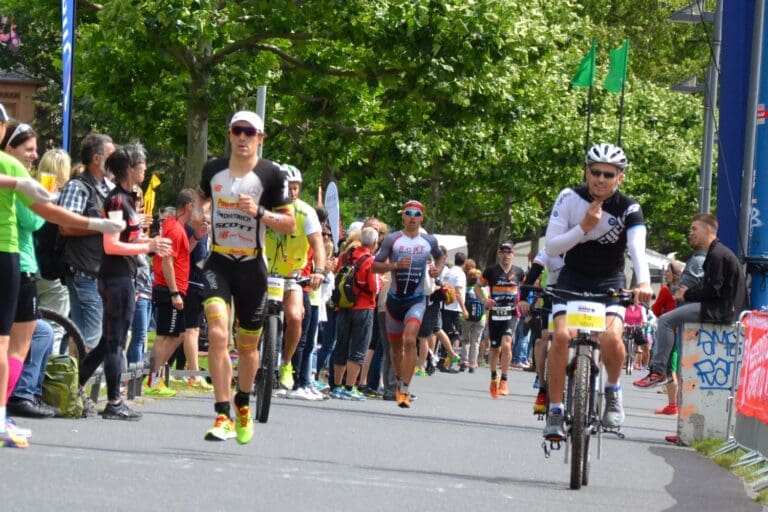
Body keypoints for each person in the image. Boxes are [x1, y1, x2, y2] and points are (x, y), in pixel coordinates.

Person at [543, 143, 653, 440]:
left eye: (609, 174)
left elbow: (636, 249)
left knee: (610, 336)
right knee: (562, 336)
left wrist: (643, 283)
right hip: (572, 278)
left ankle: (613, 391)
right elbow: (551, 246)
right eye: (595, 172)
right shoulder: (569, 197)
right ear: (586, 172)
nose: (601, 179)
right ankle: (554, 409)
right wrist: (584, 226)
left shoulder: (629, 207)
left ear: (620, 178)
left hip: (610, 280)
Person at [197, 111, 295, 443]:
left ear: (260, 138)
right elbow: (200, 197)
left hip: (253, 267)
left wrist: (259, 212)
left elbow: (290, 223)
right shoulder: (213, 169)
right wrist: (201, 213)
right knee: (218, 331)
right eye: (237, 131)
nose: (242, 138)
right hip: (219, 262)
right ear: (229, 134)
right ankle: (222, 412)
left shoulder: (271, 174)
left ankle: (243, 403)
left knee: (248, 346)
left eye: (249, 132)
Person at [77, 144, 171, 420]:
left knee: (110, 340)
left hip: (123, 275)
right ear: (129, 168)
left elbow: (128, 240)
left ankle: (76, 386)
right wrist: (148, 245)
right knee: (117, 341)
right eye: (142, 164)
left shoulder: (128, 200)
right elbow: (111, 245)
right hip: (115, 277)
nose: (145, 168)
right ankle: (114, 402)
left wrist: (150, 243)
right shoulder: (117, 201)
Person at [633, 213, 748, 389]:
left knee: (665, 320)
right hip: (726, 309)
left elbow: (713, 290)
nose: (690, 233)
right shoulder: (719, 252)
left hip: (719, 310)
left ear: (709, 230)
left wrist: (687, 294)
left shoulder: (716, 254)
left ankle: (658, 371)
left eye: (694, 229)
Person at [371, 200, 443, 408]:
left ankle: (404, 388)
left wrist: (437, 270)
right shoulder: (392, 239)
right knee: (395, 348)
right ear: (403, 216)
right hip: (394, 301)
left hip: (416, 299)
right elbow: (374, 266)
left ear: (422, 217)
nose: (412, 217)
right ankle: (398, 383)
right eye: (408, 213)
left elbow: (440, 257)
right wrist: (394, 265)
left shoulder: (429, 240)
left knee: (410, 339)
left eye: (417, 213)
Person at [263, 164, 325, 399]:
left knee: (296, 316)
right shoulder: (265, 207)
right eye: (287, 187)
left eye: (296, 188)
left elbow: (318, 244)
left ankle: (286, 362)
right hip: (264, 271)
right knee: (247, 315)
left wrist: (318, 270)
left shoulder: (306, 212)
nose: (291, 192)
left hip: (291, 275)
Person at [58, 133, 117, 351]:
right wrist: (101, 225)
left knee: (81, 336)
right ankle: (86, 381)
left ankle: (73, 381)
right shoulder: (77, 187)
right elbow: (64, 226)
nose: (116, 161)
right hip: (85, 273)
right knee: (93, 337)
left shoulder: (107, 188)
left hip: (99, 272)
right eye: (112, 156)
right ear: (96, 159)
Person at [144, 189, 198, 397]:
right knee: (168, 336)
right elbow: (167, 261)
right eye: (196, 208)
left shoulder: (175, 227)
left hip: (172, 287)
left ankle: (154, 377)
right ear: (188, 207)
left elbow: (181, 255)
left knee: (175, 334)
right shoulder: (175, 229)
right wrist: (175, 292)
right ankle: (153, 379)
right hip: (169, 289)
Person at [330, 226, 380, 400]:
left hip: (342, 306)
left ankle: (336, 386)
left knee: (341, 345)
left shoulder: (345, 256)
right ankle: (350, 387)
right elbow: (374, 287)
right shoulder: (370, 260)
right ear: (374, 243)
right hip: (364, 307)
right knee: (358, 348)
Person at [479, 242, 525, 397]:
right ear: (499, 254)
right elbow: (476, 287)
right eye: (503, 252)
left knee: (507, 345)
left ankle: (504, 380)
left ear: (513, 254)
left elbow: (527, 288)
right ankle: (494, 377)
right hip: (495, 314)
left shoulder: (519, 272)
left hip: (511, 313)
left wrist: (525, 303)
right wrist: (485, 301)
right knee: (494, 348)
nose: (506, 255)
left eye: (509, 252)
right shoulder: (491, 271)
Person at [646, 260, 685, 415]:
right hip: (682, 332)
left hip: (669, 332)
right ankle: (675, 404)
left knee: (670, 370)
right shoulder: (684, 289)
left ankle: (672, 405)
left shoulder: (666, 290)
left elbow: (655, 310)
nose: (666, 275)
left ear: (674, 274)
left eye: (668, 272)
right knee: (678, 368)